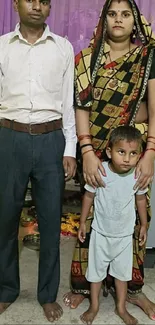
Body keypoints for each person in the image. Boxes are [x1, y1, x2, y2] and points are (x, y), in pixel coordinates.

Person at [64, 0, 155, 320]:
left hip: (135, 151)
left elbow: (154, 108)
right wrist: (87, 152)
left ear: (136, 21)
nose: (119, 19)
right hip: (97, 152)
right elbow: (81, 108)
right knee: (92, 221)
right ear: (104, 19)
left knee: (133, 219)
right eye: (112, 13)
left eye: (126, 14)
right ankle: (82, 287)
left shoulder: (147, 58)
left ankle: (132, 290)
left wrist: (150, 153)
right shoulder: (86, 60)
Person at [0, 0, 76, 323]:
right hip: (9, 137)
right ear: (16, 3)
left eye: (44, 1)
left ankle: (47, 294)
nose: (37, 6)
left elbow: (68, 101)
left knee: (49, 221)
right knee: (4, 219)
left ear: (49, 9)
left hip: (50, 139)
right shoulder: (2, 47)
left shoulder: (62, 48)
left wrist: (69, 148)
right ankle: (6, 289)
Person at [78, 125, 148, 325]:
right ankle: (94, 306)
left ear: (139, 155)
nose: (127, 159)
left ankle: (121, 308)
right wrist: (83, 222)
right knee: (96, 273)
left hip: (124, 237)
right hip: (100, 235)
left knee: (121, 275)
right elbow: (88, 196)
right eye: (121, 152)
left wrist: (143, 224)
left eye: (133, 153)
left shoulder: (137, 175)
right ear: (109, 151)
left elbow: (141, 200)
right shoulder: (100, 171)